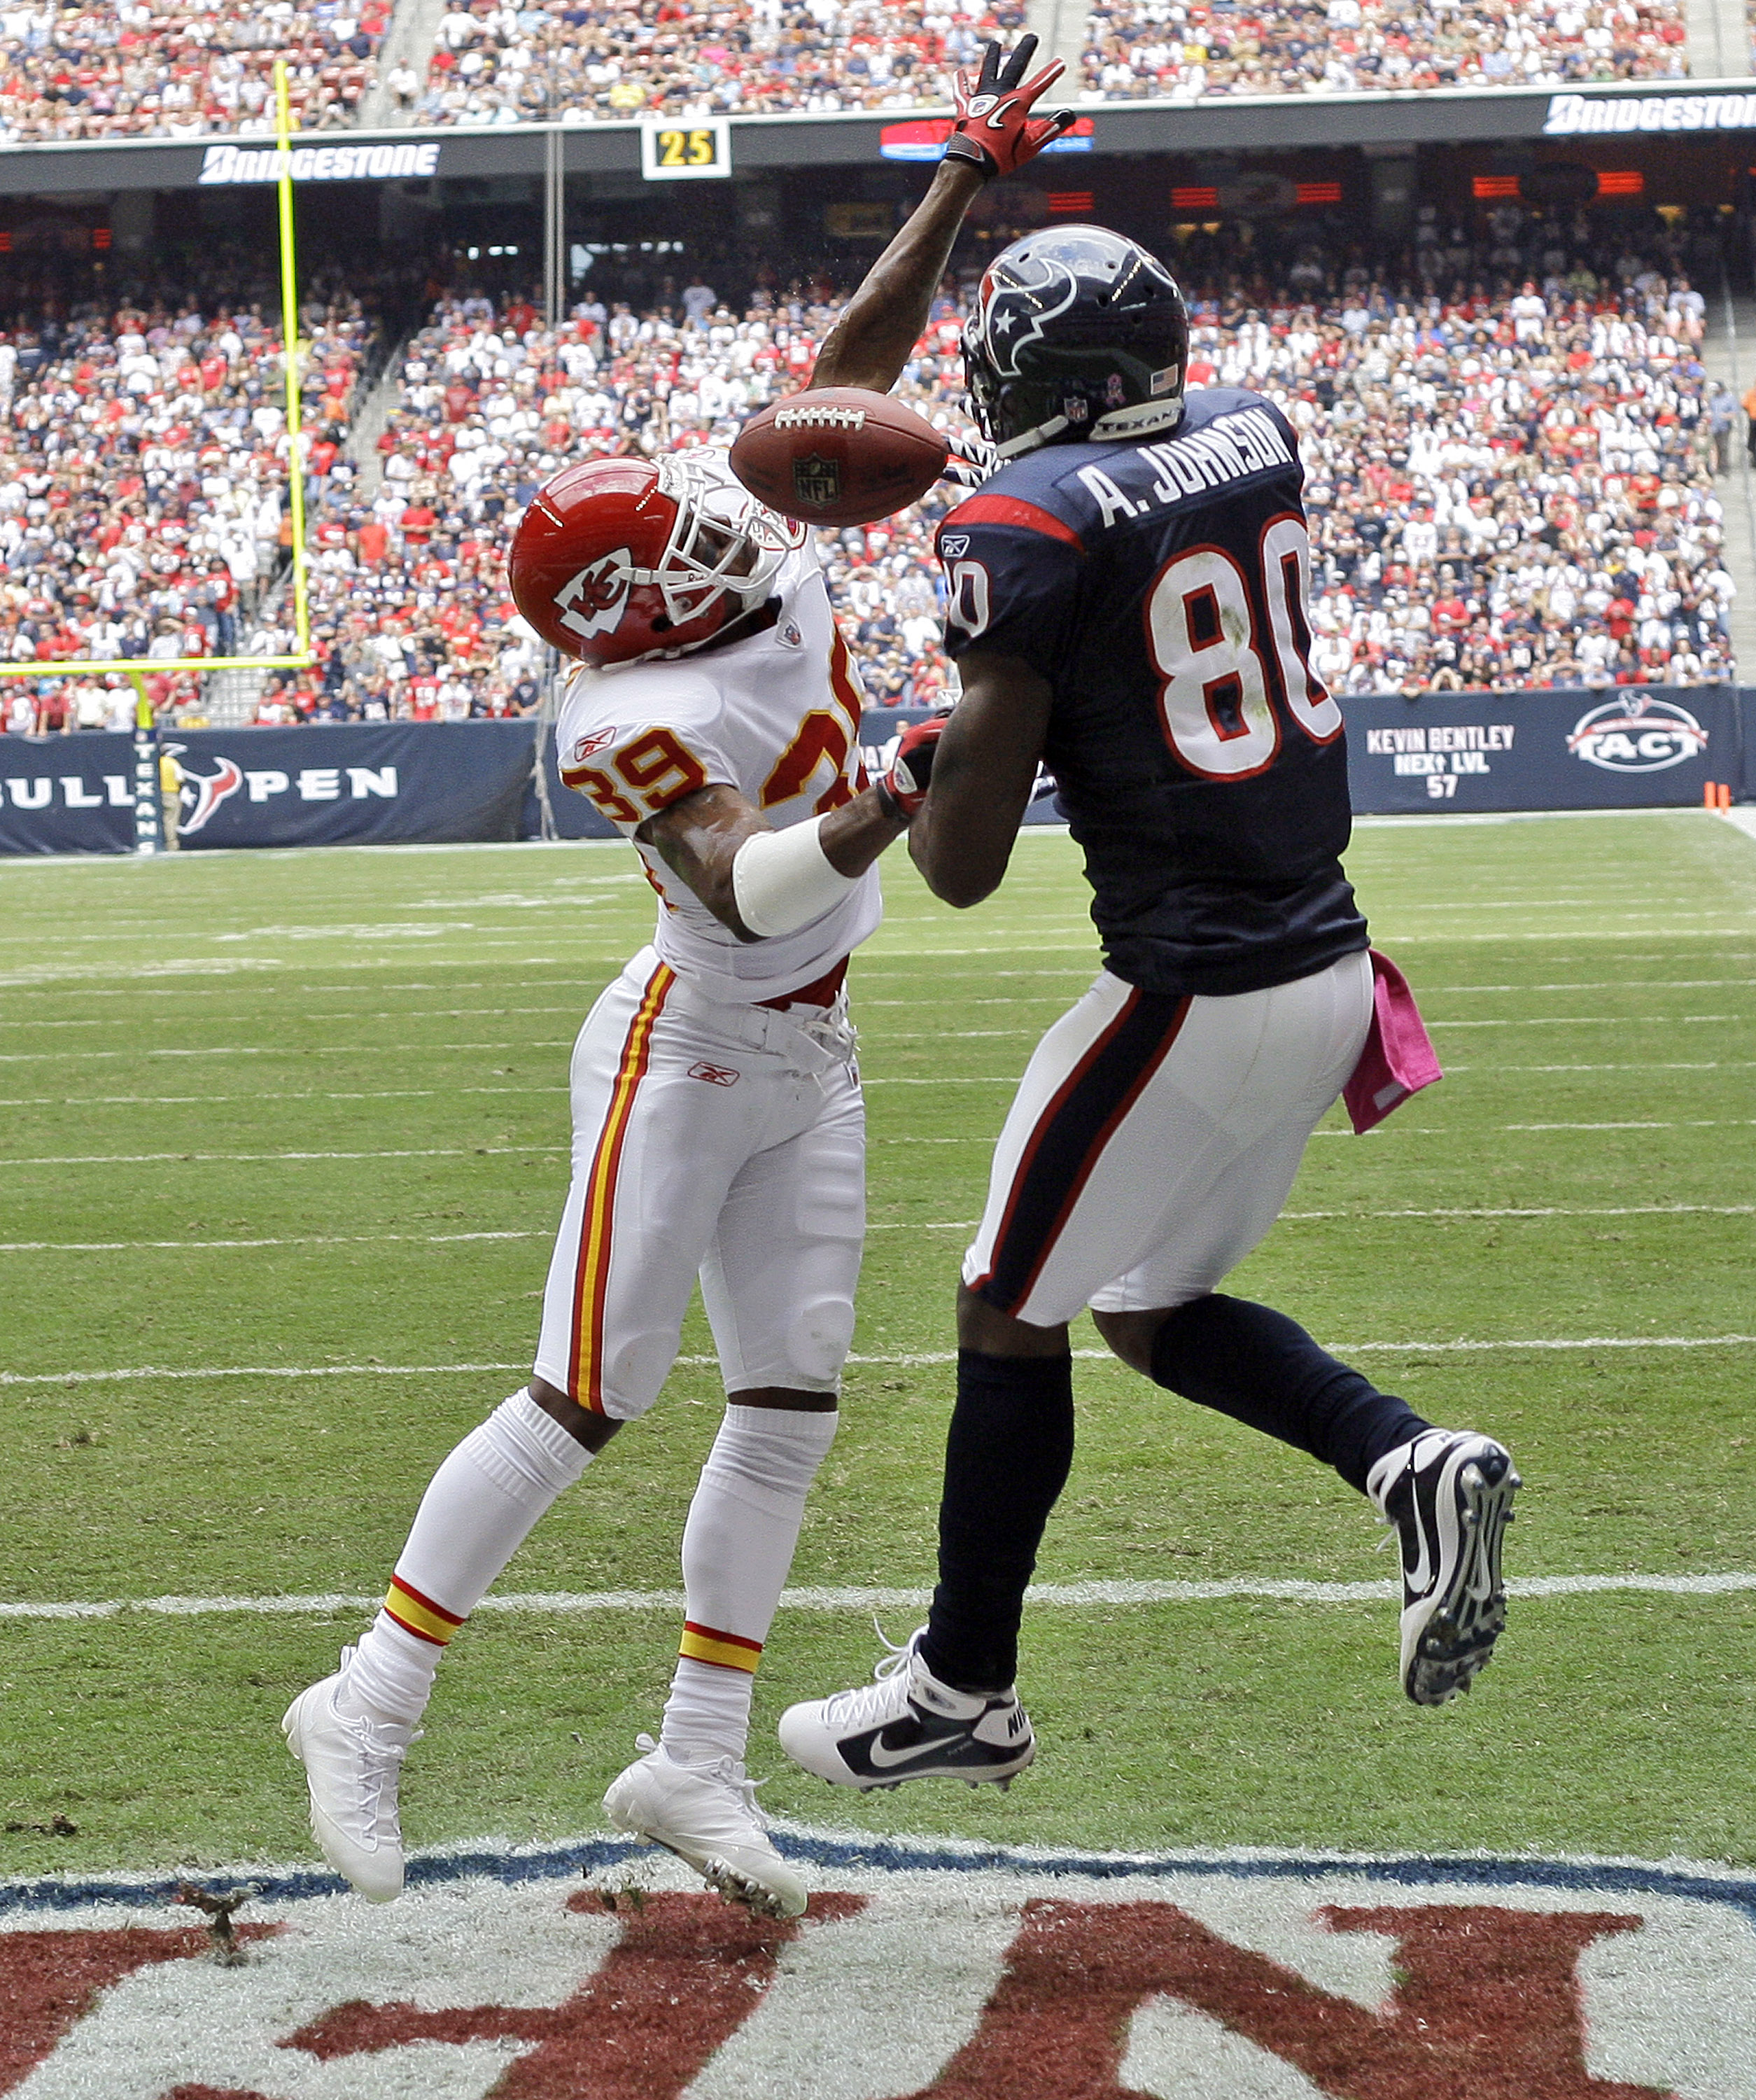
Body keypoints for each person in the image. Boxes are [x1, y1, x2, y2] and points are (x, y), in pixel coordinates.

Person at [276, 95, 1041, 1908]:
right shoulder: (618, 722)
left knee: (787, 1403)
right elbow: (743, 880)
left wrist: (961, 175)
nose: (741, 534)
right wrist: (899, 782)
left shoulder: (718, 537)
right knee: (583, 1395)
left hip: (814, 1044)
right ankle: (365, 1706)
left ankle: (691, 1766)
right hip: (688, 1041)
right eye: (692, 549)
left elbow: (839, 375)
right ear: (630, 617)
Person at [779, 213, 1519, 1795]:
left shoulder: (1023, 520)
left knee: (1003, 1301)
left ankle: (963, 1681)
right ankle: (1405, 1456)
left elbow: (963, 868)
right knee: (1143, 1306)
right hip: (1325, 971)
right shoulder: (1252, 433)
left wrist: (931, 755)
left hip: (1188, 993)